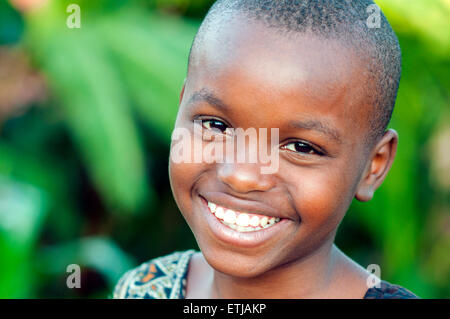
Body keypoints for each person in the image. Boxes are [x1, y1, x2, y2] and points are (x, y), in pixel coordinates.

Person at [113, 0, 418, 299]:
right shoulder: (145, 288)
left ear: (373, 166)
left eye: (301, 147)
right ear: (182, 107)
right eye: (216, 125)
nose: (241, 177)